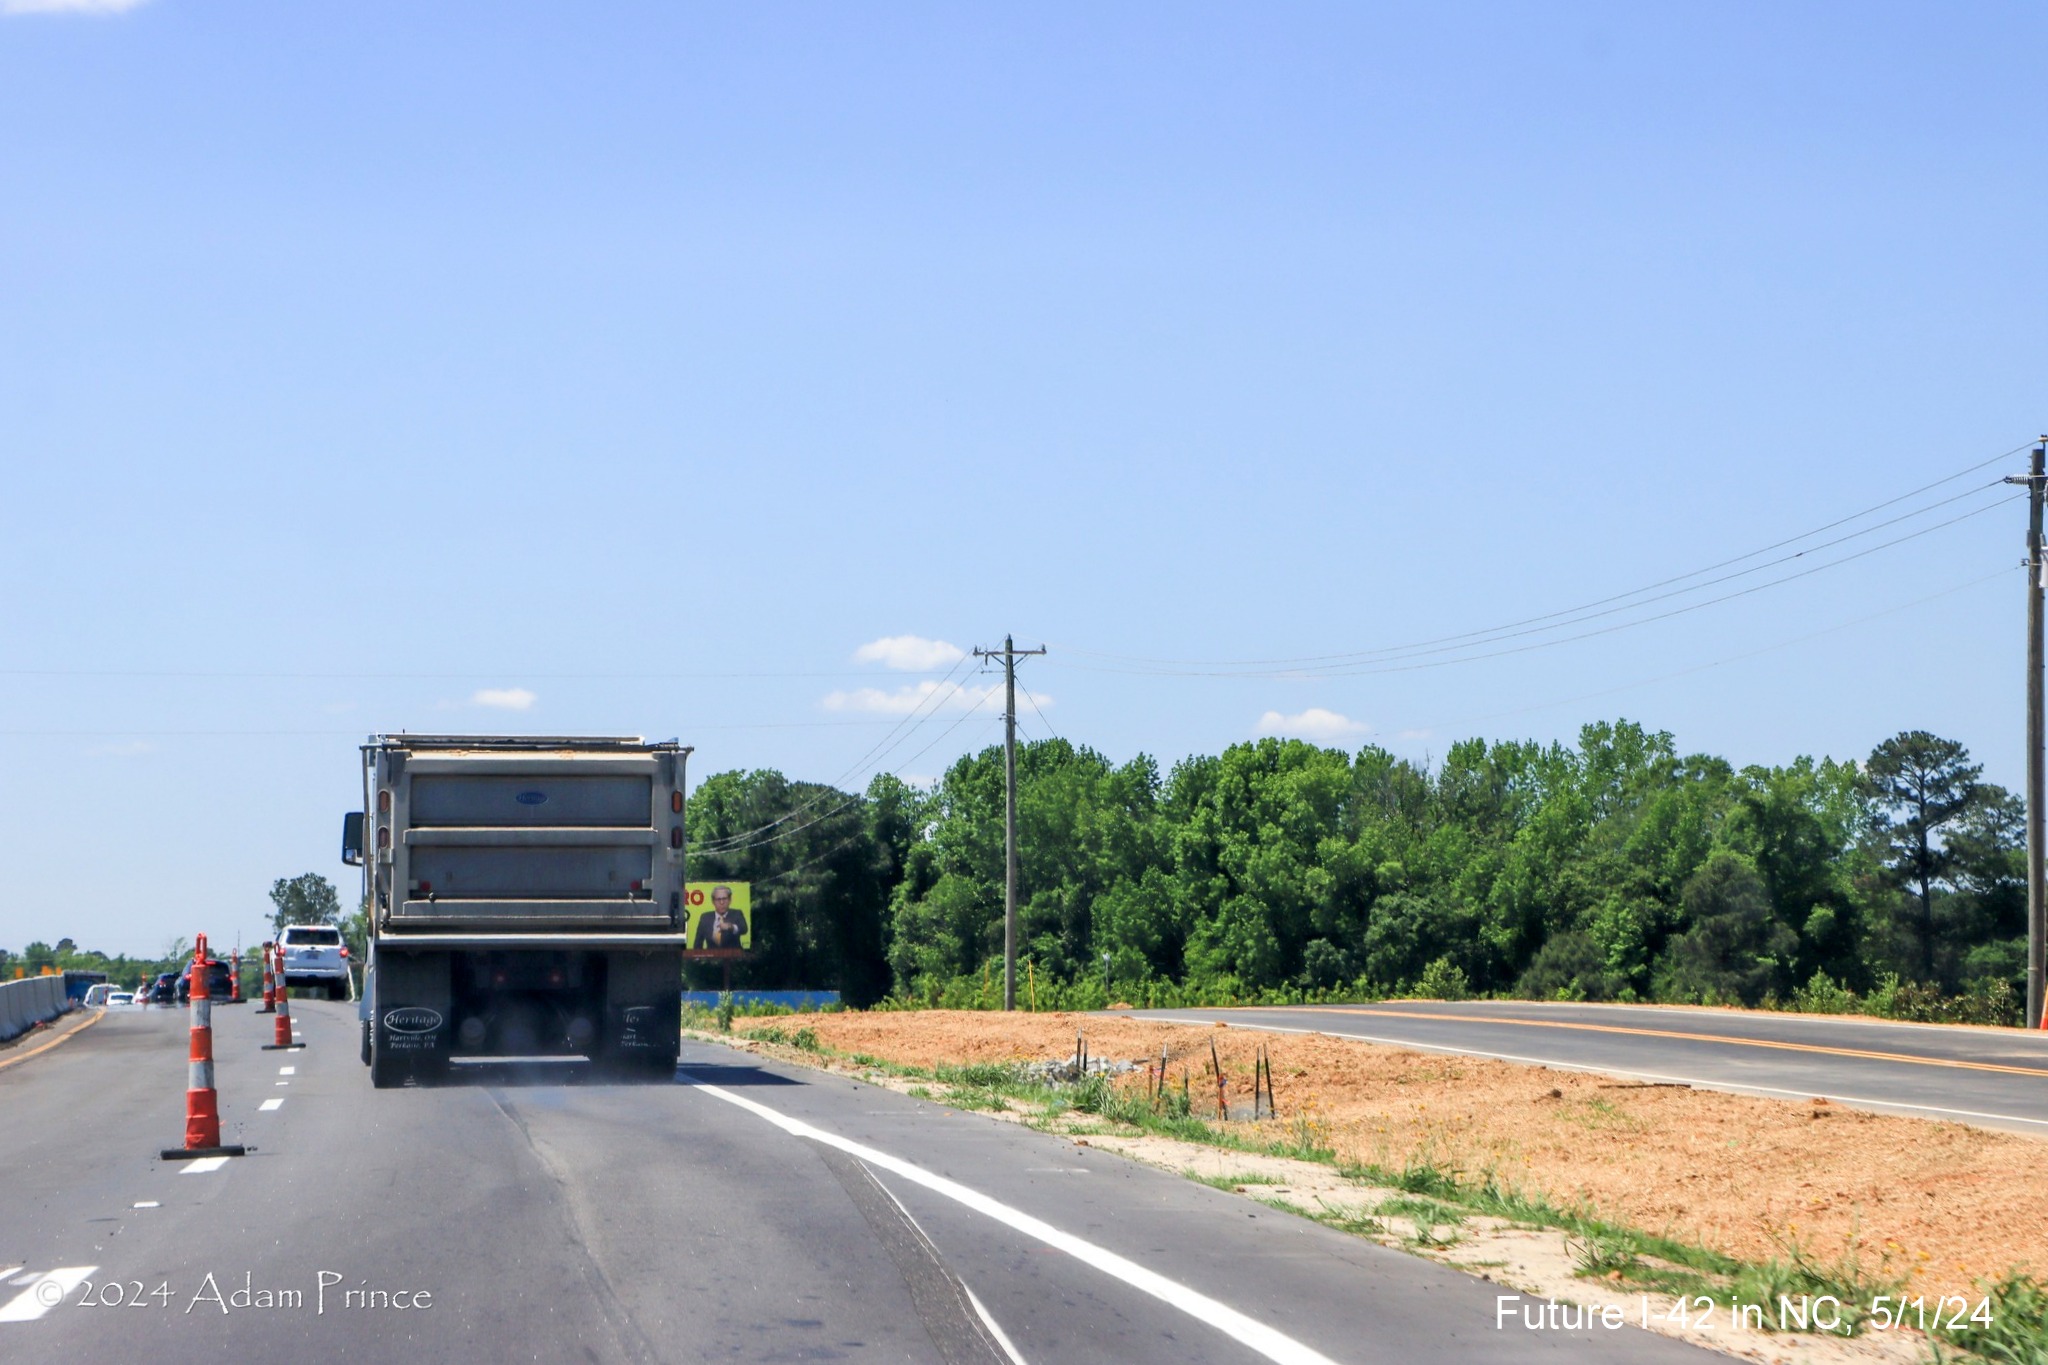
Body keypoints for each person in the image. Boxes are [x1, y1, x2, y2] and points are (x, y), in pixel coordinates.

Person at [691, 885, 748, 950]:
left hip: (733, 957)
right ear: (713, 901)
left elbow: (744, 929)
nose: (721, 902)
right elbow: (698, 942)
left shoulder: (737, 914)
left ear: (729, 900)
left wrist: (731, 926)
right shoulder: (705, 917)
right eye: (718, 899)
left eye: (724, 899)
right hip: (711, 958)